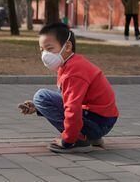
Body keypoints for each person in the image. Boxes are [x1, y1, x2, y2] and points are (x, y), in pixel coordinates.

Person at [18, 23, 119, 153]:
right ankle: (89, 136)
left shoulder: (73, 72)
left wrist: (67, 140)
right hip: (100, 120)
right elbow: (66, 100)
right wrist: (38, 108)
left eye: (49, 48)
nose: (44, 55)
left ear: (67, 47)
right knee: (41, 100)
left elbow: (72, 107)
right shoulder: (71, 65)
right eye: (42, 50)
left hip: (98, 123)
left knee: (41, 96)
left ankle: (78, 139)